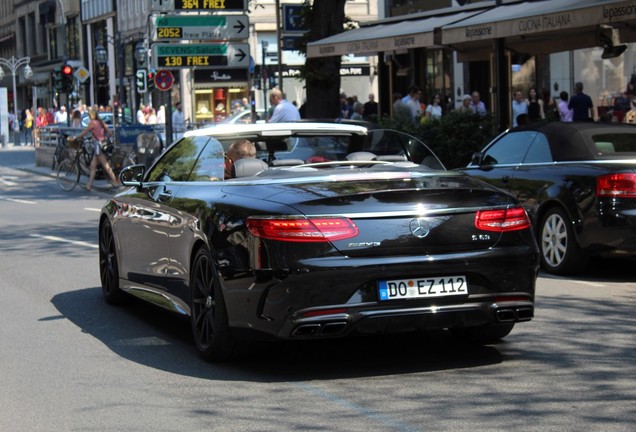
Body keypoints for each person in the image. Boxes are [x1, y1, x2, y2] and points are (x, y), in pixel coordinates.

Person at [73, 108, 120, 192]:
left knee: (105, 165)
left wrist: (77, 137)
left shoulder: (92, 123)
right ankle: (89, 185)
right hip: (101, 145)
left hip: (97, 146)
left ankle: (115, 182)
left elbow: (85, 132)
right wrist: (105, 139)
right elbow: (110, 132)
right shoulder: (100, 122)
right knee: (93, 166)